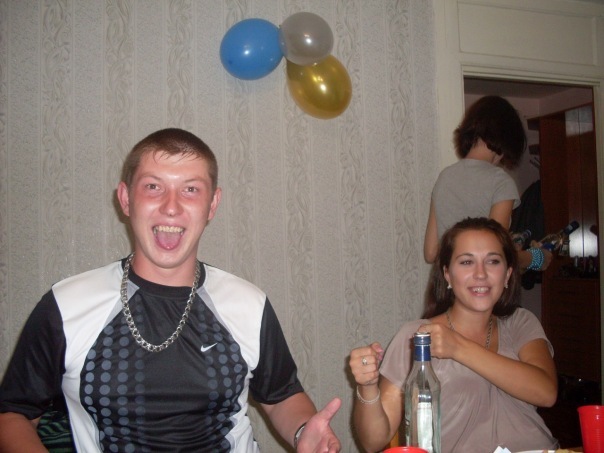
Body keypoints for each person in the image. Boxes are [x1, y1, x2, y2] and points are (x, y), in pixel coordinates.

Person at [0, 128, 341, 452]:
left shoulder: (248, 304)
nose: (171, 206)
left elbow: (280, 397)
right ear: (125, 199)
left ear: (212, 204)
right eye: (153, 187)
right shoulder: (66, 305)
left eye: (190, 189)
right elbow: (13, 414)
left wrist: (302, 432)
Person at [350, 217, 558, 452]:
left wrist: (458, 347)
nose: (480, 274)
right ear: (447, 274)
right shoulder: (417, 336)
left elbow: (546, 392)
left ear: (508, 274)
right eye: (467, 262)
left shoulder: (520, 322)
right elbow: (373, 441)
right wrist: (368, 386)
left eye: (493, 261)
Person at [423, 95, 552, 273]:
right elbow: (496, 252)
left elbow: (430, 253)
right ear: (507, 139)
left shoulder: (444, 177)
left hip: (449, 285)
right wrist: (537, 258)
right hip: (480, 285)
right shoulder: (501, 182)